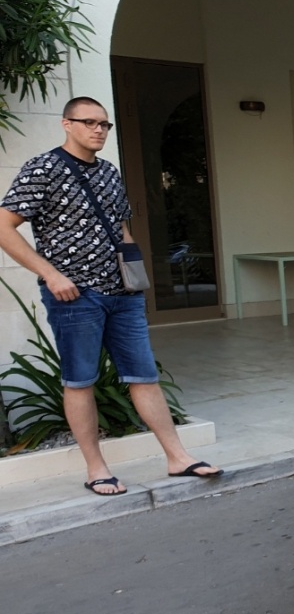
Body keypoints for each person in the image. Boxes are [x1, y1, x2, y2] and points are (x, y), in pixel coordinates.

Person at [0, 97, 222, 495]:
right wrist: (51, 275)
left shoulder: (108, 172)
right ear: (67, 124)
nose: (98, 129)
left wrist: (137, 282)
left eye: (105, 124)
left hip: (123, 295)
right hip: (75, 296)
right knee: (80, 381)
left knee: (144, 376)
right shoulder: (43, 168)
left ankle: (178, 457)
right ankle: (95, 468)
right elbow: (4, 227)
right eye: (89, 122)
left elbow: (121, 231)